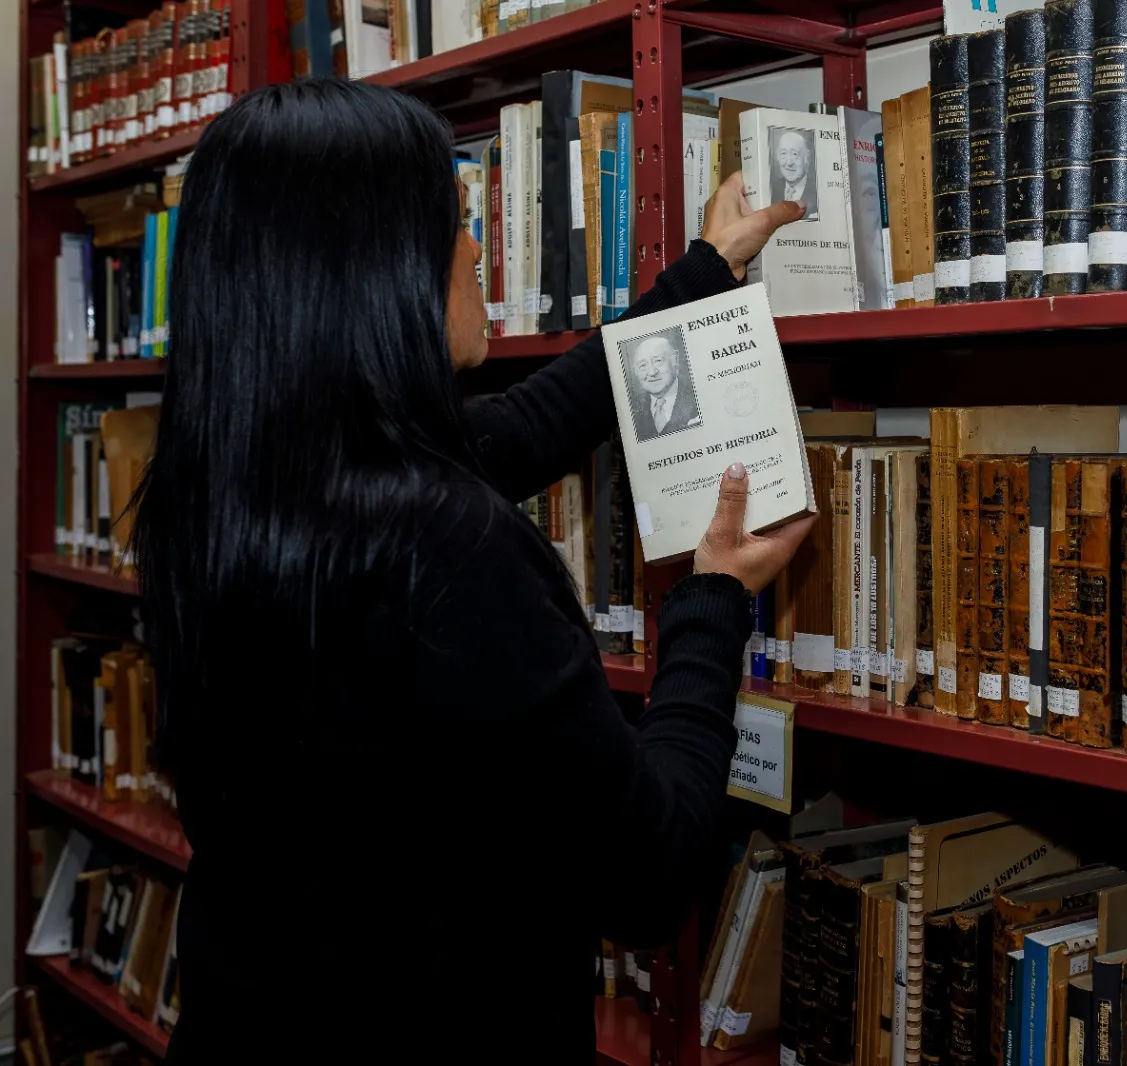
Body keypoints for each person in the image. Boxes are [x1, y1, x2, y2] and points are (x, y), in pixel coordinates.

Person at [131, 78, 809, 1061]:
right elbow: (649, 873)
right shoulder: (446, 551)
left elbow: (527, 425)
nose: (480, 249)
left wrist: (700, 276)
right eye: (454, 221)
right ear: (374, 270)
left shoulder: (218, 492)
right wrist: (711, 600)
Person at [627, 331, 702, 440]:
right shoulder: (632, 410)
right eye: (643, 366)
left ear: (675, 360)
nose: (652, 372)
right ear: (636, 372)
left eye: (658, 361)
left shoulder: (699, 396)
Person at [769, 128, 820, 220]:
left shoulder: (819, 192)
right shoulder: (770, 189)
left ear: (806, 158)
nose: (789, 162)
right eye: (783, 153)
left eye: (795, 154)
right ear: (777, 157)